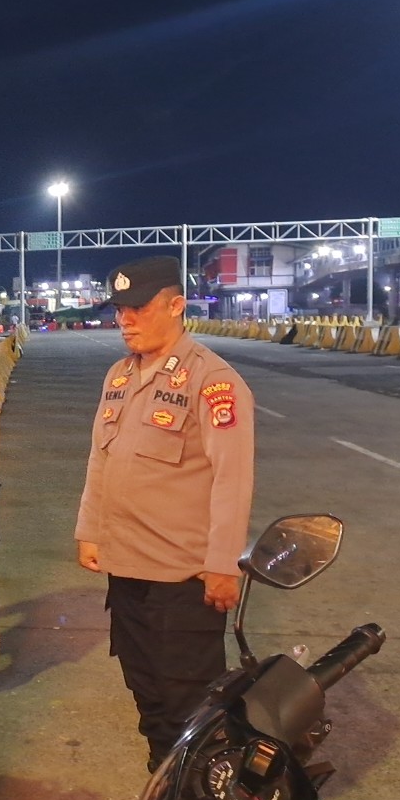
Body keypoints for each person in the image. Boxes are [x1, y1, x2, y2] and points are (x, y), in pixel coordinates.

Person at [74, 255, 255, 773]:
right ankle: (165, 785)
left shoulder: (212, 381)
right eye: (119, 310)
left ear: (176, 306)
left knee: (188, 704)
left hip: (182, 578)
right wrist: (90, 530)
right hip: (127, 567)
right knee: (146, 691)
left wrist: (223, 564)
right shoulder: (119, 376)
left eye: (138, 308)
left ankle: (198, 794)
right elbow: (100, 460)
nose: (125, 320)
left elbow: (232, 479)